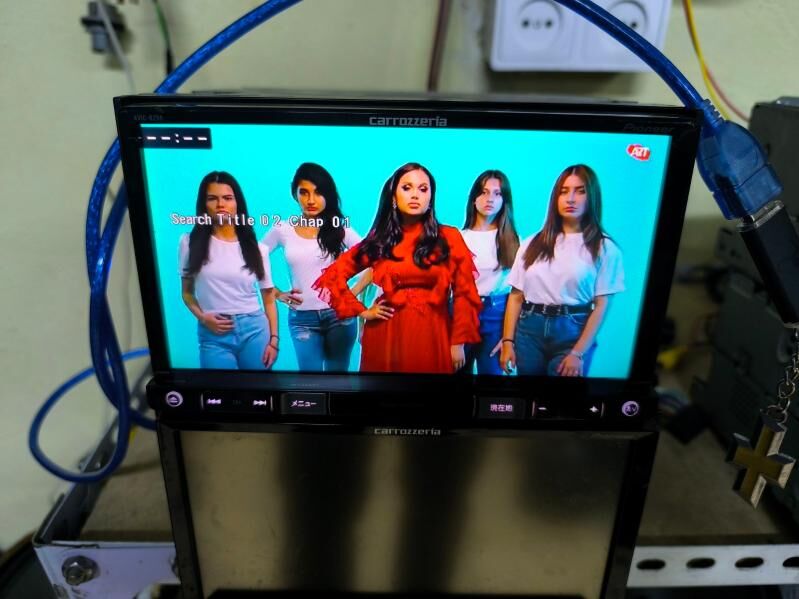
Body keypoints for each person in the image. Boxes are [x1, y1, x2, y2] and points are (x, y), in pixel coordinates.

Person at [313, 162, 482, 373]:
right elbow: (333, 276)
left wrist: (457, 343)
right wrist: (363, 311)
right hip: (386, 334)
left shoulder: (449, 237)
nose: (415, 195)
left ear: (431, 199)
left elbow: (465, 294)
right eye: (407, 188)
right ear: (393, 197)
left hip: (433, 333)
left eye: (423, 189)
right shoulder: (380, 240)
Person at [499, 164, 624, 377]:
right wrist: (508, 341)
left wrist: (578, 353)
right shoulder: (532, 243)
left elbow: (602, 305)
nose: (571, 199)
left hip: (573, 331)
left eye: (580, 191)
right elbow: (516, 296)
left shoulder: (605, 248)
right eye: (564, 191)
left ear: (592, 196)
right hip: (529, 330)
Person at [262, 163, 368, 372]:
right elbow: (254, 258)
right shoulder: (282, 229)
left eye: (318, 192)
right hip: (302, 318)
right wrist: (277, 293)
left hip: (339, 317)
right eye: (304, 192)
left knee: (338, 380)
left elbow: (372, 263)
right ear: (295, 193)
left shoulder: (340, 229)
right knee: (309, 379)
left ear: (328, 194)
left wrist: (351, 295)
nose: (311, 200)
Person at [179, 171, 278, 370]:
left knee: (258, 388)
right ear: (204, 204)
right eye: (212, 199)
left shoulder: (258, 249)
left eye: (227, 198)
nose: (220, 204)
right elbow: (187, 293)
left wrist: (274, 341)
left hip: (254, 330)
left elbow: (268, 298)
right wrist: (202, 317)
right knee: (220, 387)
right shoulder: (189, 243)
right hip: (213, 332)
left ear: (237, 203)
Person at [460, 170, 520, 375]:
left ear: (505, 200)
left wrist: (509, 337)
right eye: (484, 192)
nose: (490, 199)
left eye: (497, 193)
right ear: (474, 198)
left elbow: (519, 293)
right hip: (463, 313)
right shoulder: (459, 238)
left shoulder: (514, 241)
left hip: (498, 315)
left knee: (492, 377)